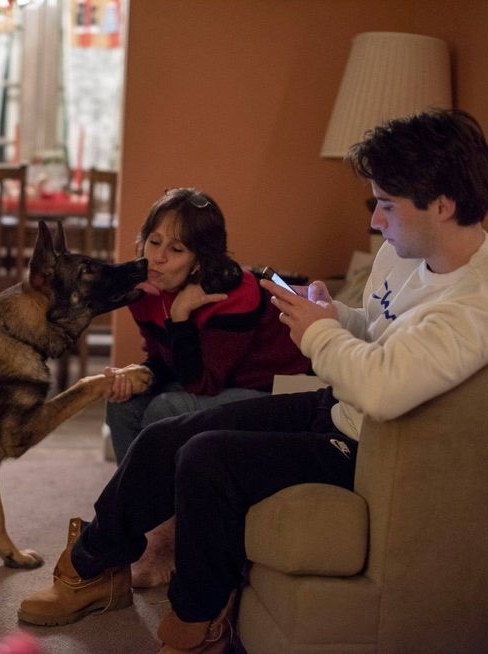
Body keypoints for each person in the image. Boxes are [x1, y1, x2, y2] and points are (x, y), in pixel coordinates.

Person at [17, 109, 488, 654]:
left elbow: (385, 388)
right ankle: (92, 567)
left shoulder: (479, 305)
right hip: (341, 403)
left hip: (379, 445)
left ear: (443, 205)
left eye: (386, 205)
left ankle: (197, 622)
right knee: (164, 438)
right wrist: (336, 316)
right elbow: (384, 333)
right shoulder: (410, 252)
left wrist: (319, 337)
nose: (377, 222)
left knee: (206, 460)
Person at [103, 187, 311, 587]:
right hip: (223, 382)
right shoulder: (147, 291)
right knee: (124, 405)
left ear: (201, 258)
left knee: (164, 411)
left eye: (176, 248)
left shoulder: (235, 294)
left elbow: (204, 381)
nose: (158, 257)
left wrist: (180, 315)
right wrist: (137, 373)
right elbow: (167, 361)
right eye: (154, 241)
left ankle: (168, 536)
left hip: (281, 391)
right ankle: (147, 520)